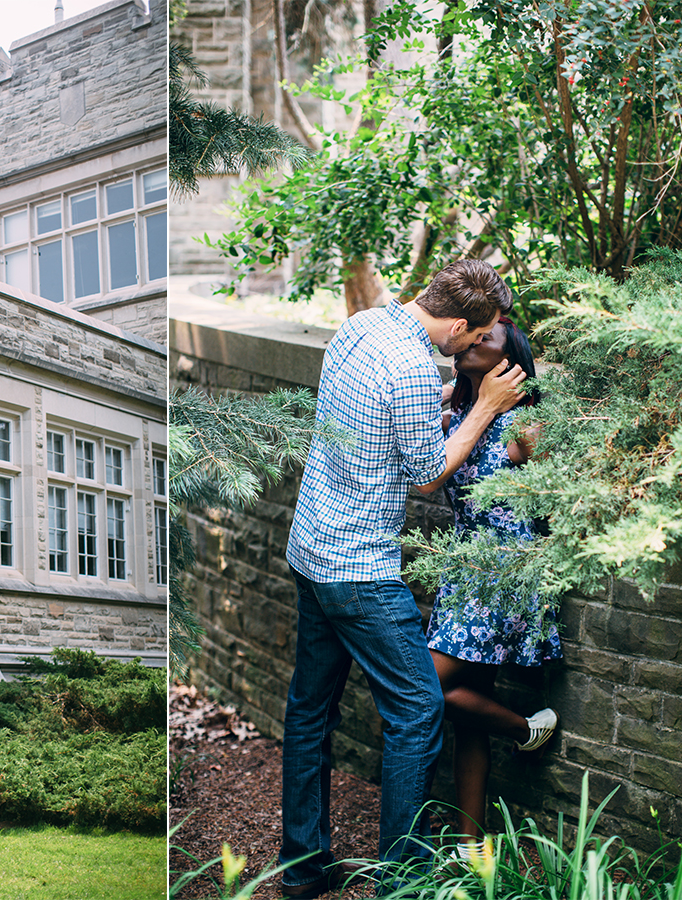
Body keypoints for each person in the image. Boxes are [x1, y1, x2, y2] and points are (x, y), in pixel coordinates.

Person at [281, 259, 527, 898]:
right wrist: (487, 408)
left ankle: (302, 869)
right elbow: (428, 472)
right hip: (359, 570)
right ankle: (404, 882)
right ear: (456, 323)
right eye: (474, 337)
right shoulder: (416, 366)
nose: (473, 347)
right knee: (418, 708)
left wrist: (442, 402)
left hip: (311, 548)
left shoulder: (360, 327)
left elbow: (368, 415)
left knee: (310, 712)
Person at [426, 316, 561, 860]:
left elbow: (549, 492)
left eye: (488, 339)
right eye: (472, 335)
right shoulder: (450, 407)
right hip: (463, 567)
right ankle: (470, 847)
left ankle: (526, 726)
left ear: (508, 361)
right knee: (465, 708)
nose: (472, 342)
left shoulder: (524, 424)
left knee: (424, 688)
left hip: (501, 572)